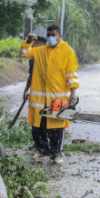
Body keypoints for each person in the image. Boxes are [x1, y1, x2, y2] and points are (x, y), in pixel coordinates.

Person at [19, 24, 79, 165]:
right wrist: (28, 41)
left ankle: (56, 153)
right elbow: (23, 54)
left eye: (54, 35)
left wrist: (73, 91)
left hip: (57, 98)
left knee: (57, 127)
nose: (51, 37)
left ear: (60, 36)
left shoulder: (67, 51)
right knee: (38, 126)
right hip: (39, 99)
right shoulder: (39, 51)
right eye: (49, 35)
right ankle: (42, 150)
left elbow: (71, 72)